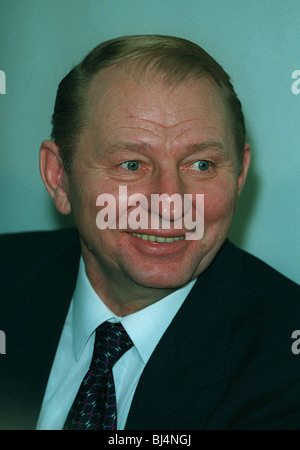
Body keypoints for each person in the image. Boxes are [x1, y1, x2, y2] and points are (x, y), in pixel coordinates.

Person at [0, 35, 299, 431]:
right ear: (59, 177)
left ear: (240, 175)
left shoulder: (283, 363)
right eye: (131, 165)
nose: (170, 201)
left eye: (202, 165)